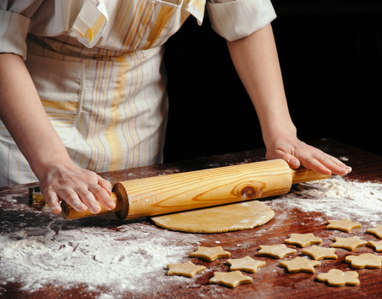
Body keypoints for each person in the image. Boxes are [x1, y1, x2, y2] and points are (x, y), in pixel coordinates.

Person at [0, 0, 351, 215]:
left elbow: (245, 20)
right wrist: (53, 163)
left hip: (136, 111)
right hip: (32, 112)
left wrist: (281, 133)